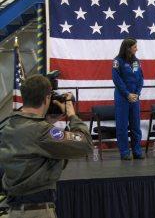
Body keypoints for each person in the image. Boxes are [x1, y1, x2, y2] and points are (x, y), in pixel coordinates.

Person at [0, 74, 92, 218]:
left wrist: (47, 121)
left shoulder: (10, 125)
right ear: (47, 98)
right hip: (37, 212)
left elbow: (35, 146)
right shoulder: (41, 131)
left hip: (15, 211)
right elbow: (85, 143)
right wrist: (72, 115)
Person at [112, 38, 144, 160]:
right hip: (122, 98)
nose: (137, 49)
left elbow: (140, 78)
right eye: (135, 47)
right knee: (122, 126)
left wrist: (137, 93)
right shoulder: (117, 61)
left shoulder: (136, 61)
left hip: (135, 98)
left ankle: (137, 151)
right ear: (128, 48)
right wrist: (127, 94)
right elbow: (117, 80)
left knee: (136, 126)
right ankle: (125, 152)